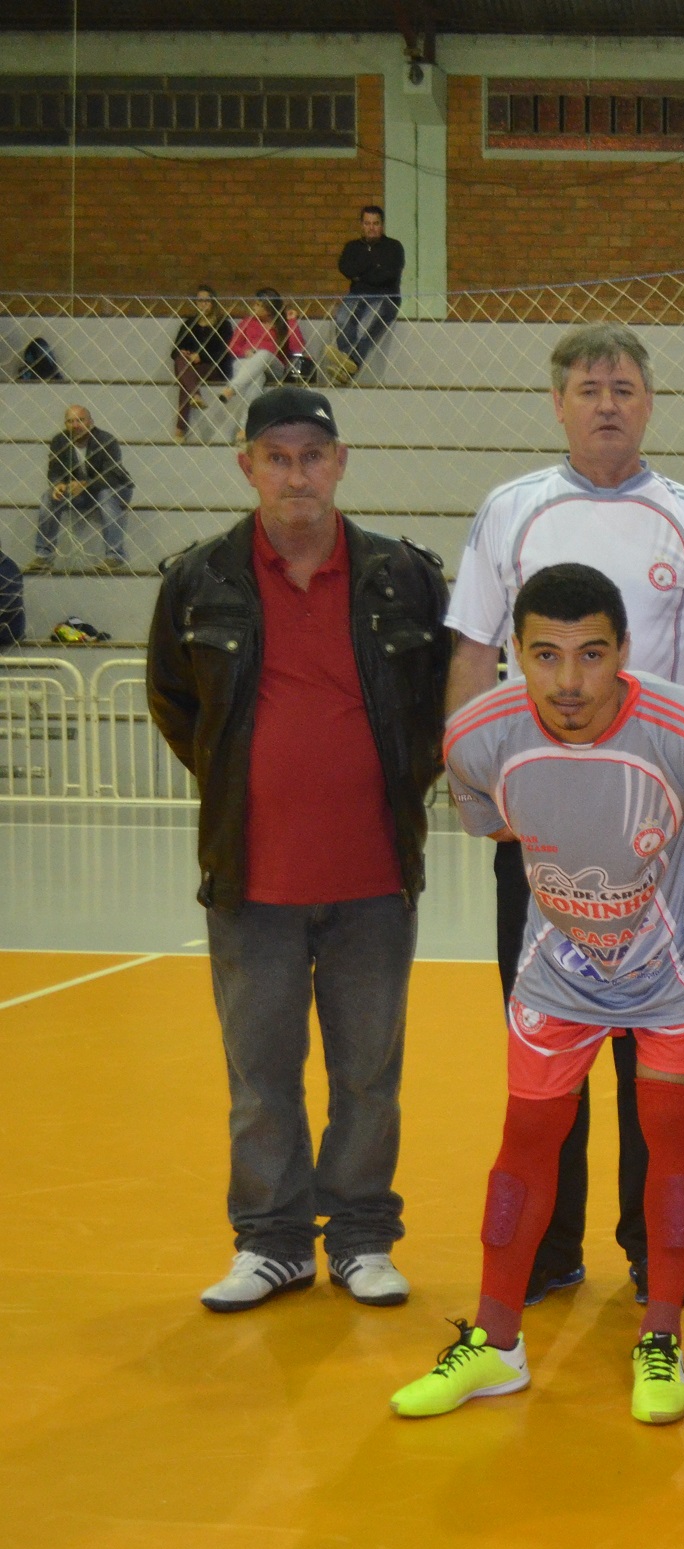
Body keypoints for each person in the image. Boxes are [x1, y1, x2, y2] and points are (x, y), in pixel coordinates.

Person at [393, 562, 684, 1425]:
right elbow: (492, 820)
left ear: (626, 652)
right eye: (544, 655)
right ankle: (496, 1342)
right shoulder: (477, 739)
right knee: (526, 1142)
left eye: (592, 655)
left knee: (668, 1130)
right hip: (564, 962)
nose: (568, 681)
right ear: (513, 654)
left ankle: (660, 1332)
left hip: (676, 966)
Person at [446, 322, 684, 1308]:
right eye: (589, 387)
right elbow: (471, 649)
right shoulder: (513, 511)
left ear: (649, 402)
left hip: (658, 836)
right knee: (548, 1040)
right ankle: (546, 1247)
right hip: (543, 830)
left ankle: (642, 1248)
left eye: (624, 386)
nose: (607, 402)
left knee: (654, 1065)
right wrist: (486, 792)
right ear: (558, 402)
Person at [145, 385, 449, 1316]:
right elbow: (173, 702)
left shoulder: (404, 576)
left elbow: (440, 697)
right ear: (247, 467)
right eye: (276, 457)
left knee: (368, 1073)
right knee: (261, 1077)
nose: (296, 474)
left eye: (312, 456)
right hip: (252, 881)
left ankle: (360, 1237)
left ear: (341, 462)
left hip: (373, 878)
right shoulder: (199, 579)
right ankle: (272, 1241)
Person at [32, 404, 134, 572]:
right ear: (66, 424)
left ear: (91, 422)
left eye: (80, 420)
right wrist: (58, 485)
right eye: (70, 421)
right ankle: (44, 556)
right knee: (48, 497)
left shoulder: (106, 440)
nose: (76, 425)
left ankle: (115, 556)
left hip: (115, 489)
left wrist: (86, 484)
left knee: (105, 494)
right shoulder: (59, 441)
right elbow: (54, 470)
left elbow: (112, 475)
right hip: (79, 492)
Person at [326, 205, 405, 386]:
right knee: (342, 317)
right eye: (367, 223)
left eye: (375, 223)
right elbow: (345, 268)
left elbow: (389, 275)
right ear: (361, 225)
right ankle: (348, 361)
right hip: (357, 295)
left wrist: (361, 274)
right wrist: (373, 268)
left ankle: (349, 361)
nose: (371, 227)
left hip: (386, 298)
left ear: (382, 225)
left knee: (367, 327)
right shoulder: (352, 247)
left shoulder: (393, 247)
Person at [220, 289, 308, 422]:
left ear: (268, 309)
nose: (253, 307)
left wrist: (292, 322)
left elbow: (297, 347)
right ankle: (245, 428)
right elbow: (232, 346)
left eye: (258, 305)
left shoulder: (282, 323)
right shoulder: (248, 322)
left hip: (273, 366)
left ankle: (232, 388)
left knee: (264, 354)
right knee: (257, 379)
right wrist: (245, 352)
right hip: (248, 364)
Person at [171, 285, 232, 444]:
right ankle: (195, 395)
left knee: (186, 381)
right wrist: (184, 353)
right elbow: (175, 351)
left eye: (206, 300)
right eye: (200, 301)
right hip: (190, 367)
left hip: (213, 368)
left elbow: (225, 352)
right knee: (180, 360)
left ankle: (179, 430)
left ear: (213, 302)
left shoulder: (223, 325)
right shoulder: (189, 324)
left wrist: (202, 356)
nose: (203, 304)